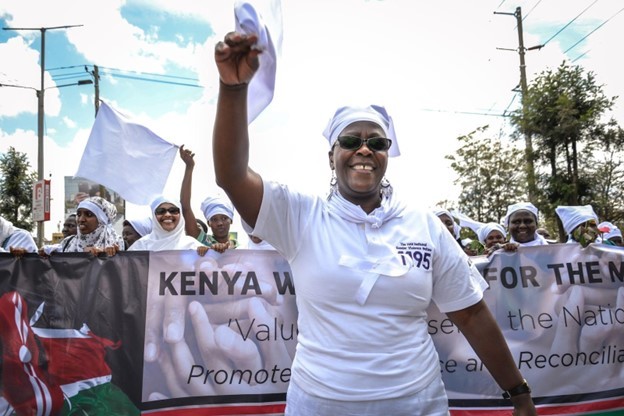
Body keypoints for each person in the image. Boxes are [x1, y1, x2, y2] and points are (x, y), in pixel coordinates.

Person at [211, 31, 537, 415]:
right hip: (320, 406)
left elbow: (470, 313)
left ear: (386, 156)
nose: (364, 149)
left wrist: (519, 392)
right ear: (331, 155)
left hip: (416, 405)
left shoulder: (424, 225)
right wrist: (233, 90)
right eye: (350, 140)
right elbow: (231, 175)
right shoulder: (299, 215)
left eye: (377, 143)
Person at [178, 146, 237, 250]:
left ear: (231, 220)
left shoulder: (243, 247)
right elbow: (185, 207)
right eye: (214, 219)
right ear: (208, 223)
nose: (219, 223)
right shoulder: (202, 242)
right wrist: (189, 167)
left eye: (224, 218)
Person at [128, 197, 209, 255]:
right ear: (154, 216)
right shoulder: (141, 246)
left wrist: (211, 253)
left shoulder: (192, 246)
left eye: (173, 211)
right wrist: (115, 254)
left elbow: (211, 269)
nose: (167, 215)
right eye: (161, 211)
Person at [54, 196, 123, 256]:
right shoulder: (68, 242)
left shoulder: (117, 242)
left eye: (89, 214)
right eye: (79, 214)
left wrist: (107, 255)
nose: (81, 219)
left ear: (101, 221)